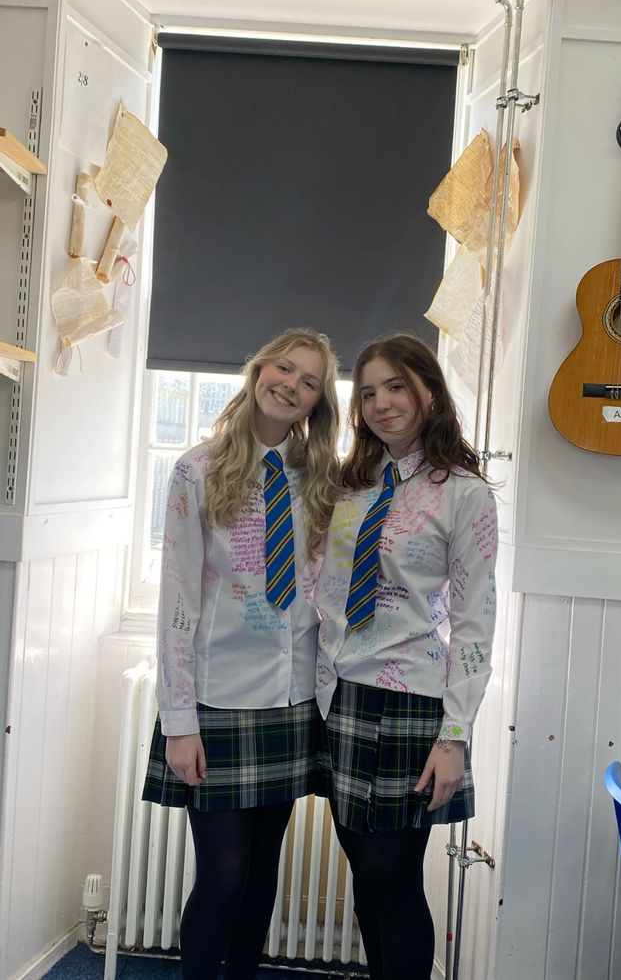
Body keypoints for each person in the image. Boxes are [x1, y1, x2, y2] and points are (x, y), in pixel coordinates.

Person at [142, 329, 340, 980]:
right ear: (258, 371)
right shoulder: (196, 471)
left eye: (309, 381)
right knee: (223, 875)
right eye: (284, 368)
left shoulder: (320, 479)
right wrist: (179, 721)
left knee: (260, 873)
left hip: (292, 700)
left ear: (317, 401)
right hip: (217, 699)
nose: (291, 384)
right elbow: (177, 600)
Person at [314, 334, 497, 980]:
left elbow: (475, 621)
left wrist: (455, 735)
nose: (381, 403)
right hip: (341, 696)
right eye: (367, 393)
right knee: (365, 874)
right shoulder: (350, 486)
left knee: (392, 877)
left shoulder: (464, 493)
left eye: (395, 386)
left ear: (429, 391)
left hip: (412, 700)